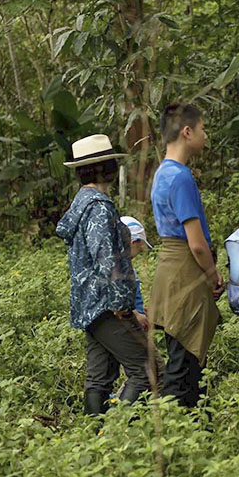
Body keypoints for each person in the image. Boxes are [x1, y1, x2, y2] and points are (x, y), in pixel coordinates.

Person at [56, 134, 152, 414]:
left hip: (89, 305)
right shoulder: (98, 208)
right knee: (147, 371)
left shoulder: (81, 205)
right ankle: (115, 434)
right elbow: (108, 260)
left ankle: (94, 436)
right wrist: (124, 307)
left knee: (99, 376)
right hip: (108, 307)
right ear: (107, 169)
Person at [148, 103, 224, 408]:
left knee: (181, 355)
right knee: (185, 365)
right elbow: (196, 243)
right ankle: (178, 428)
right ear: (187, 131)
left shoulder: (162, 173)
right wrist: (212, 274)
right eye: (203, 128)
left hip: (170, 268)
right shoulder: (180, 178)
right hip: (185, 271)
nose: (206, 135)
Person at [120, 216, 152, 331]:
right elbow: (118, 295)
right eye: (140, 247)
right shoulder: (120, 266)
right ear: (134, 242)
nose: (139, 252)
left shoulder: (125, 264)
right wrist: (135, 314)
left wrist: (140, 309)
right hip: (129, 323)